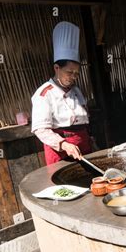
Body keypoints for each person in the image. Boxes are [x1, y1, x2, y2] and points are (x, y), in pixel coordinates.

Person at [31, 21, 92, 165]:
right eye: (69, 72)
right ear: (57, 68)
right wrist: (63, 144)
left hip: (83, 146)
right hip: (60, 151)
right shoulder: (44, 94)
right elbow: (41, 130)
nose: (73, 77)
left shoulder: (76, 90)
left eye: (76, 73)